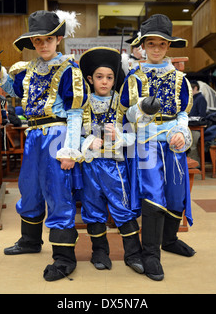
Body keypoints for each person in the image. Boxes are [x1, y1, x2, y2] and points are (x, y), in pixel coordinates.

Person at [0, 10, 87, 281]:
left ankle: (64, 257)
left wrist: (71, 149)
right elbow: (13, 90)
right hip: (32, 135)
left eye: (49, 39)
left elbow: (75, 112)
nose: (43, 44)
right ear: (32, 42)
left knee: (57, 192)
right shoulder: (27, 69)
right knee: (29, 188)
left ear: (58, 39)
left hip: (57, 133)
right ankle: (30, 241)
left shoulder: (69, 69)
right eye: (38, 40)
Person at [119, 14, 195, 281]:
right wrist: (139, 109)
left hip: (173, 142)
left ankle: (170, 239)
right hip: (145, 142)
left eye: (161, 44)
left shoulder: (180, 78)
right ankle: (151, 254)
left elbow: (184, 113)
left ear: (168, 46)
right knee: (153, 193)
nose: (156, 48)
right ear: (142, 45)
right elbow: (124, 114)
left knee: (175, 194)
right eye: (150, 43)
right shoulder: (133, 77)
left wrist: (181, 131)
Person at [78, 47, 143, 274]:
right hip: (89, 166)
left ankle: (134, 253)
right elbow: (73, 132)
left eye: (109, 77)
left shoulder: (122, 105)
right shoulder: (82, 103)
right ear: (90, 78)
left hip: (115, 166)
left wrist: (120, 136)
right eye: (99, 77)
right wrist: (87, 142)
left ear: (115, 79)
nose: (104, 82)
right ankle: (99, 252)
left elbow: (135, 134)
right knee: (93, 209)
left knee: (122, 208)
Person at [188, 80, 207, 166]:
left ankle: (195, 165)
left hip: (197, 128)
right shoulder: (194, 98)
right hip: (191, 126)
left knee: (192, 146)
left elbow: (202, 116)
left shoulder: (201, 99)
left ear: (195, 88)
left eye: (190, 89)